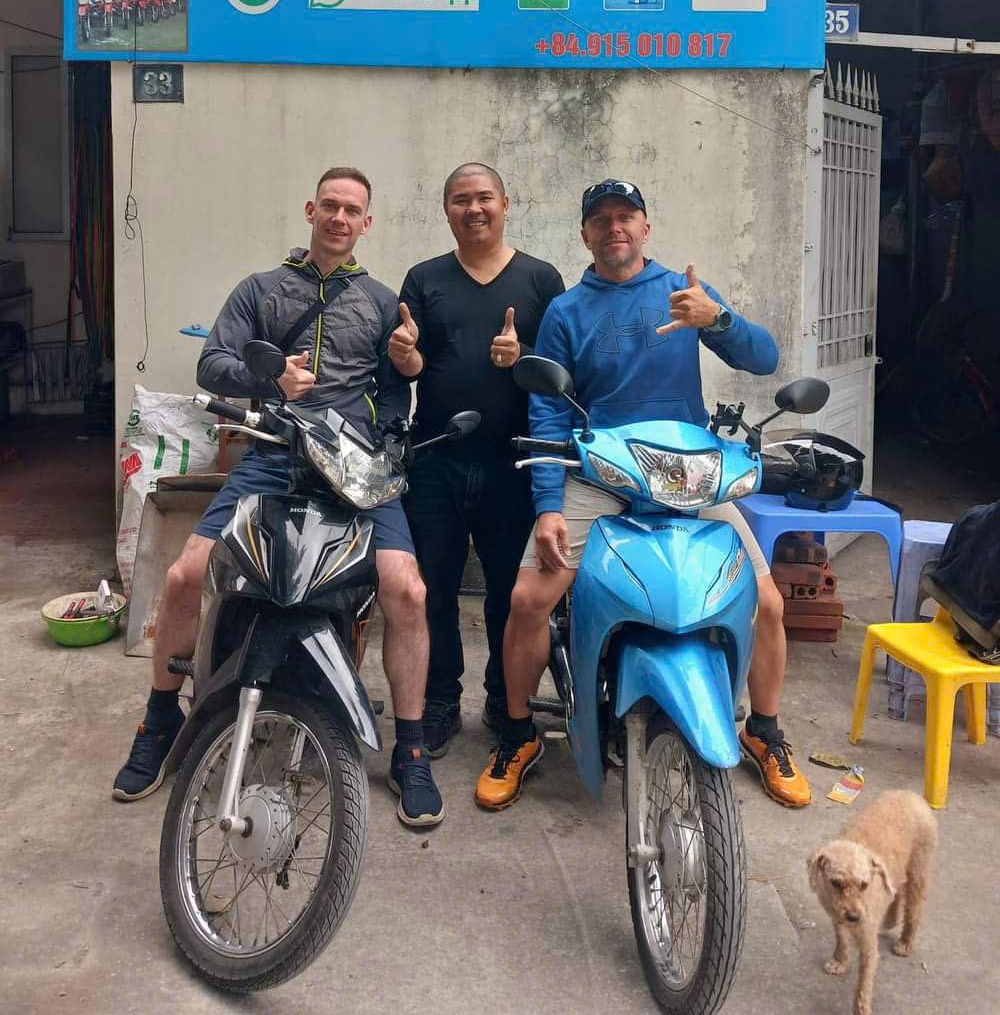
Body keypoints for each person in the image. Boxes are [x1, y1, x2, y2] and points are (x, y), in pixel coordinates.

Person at [113, 167, 446, 829]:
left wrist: (408, 365)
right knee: (184, 575)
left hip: (354, 468)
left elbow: (399, 393)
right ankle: (158, 718)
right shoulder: (261, 291)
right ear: (310, 210)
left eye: (353, 209)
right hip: (271, 454)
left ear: (366, 223)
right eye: (330, 205)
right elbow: (214, 364)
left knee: (406, 590)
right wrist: (271, 384)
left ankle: (410, 748)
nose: (340, 217)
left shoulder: (381, 302)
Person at [475, 178, 812, 812]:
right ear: (585, 234)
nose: (614, 228)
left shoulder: (681, 294)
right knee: (528, 598)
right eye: (600, 219)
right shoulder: (567, 311)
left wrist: (719, 320)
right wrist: (548, 504)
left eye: (625, 216)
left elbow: (764, 359)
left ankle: (763, 730)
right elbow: (548, 409)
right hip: (598, 473)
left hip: (685, 474)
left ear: (646, 226)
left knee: (765, 600)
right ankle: (518, 733)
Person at [388, 163, 564, 755]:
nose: (474, 209)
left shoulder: (541, 280)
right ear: (447, 211)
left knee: (503, 591)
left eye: (484, 197)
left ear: (506, 203)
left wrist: (525, 354)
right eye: (461, 200)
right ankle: (438, 700)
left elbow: (562, 370)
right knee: (432, 587)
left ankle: (500, 697)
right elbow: (411, 366)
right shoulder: (425, 278)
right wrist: (406, 356)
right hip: (435, 456)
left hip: (513, 461)